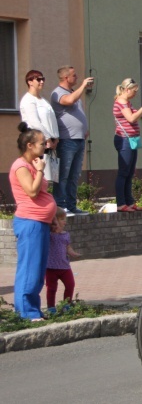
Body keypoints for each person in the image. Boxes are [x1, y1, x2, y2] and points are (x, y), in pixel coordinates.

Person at [10, 123, 58, 321]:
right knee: (29, 267)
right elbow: (31, 191)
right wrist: (40, 171)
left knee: (38, 269)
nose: (45, 146)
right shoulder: (21, 166)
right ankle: (25, 312)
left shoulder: (32, 164)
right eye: (41, 143)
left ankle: (33, 310)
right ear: (30, 145)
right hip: (29, 222)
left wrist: (53, 217)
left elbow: (43, 193)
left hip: (41, 222)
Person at [50, 65, 93, 215]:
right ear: (66, 78)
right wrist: (83, 86)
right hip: (66, 140)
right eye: (74, 76)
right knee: (63, 175)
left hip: (79, 139)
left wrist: (83, 129)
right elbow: (68, 101)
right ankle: (60, 207)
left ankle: (72, 206)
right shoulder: (57, 93)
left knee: (74, 175)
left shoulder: (73, 91)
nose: (77, 78)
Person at [113, 78, 142, 212]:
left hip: (131, 139)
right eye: (134, 91)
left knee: (130, 172)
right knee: (124, 172)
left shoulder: (127, 103)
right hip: (124, 139)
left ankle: (129, 202)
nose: (135, 94)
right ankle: (121, 203)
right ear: (127, 89)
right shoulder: (121, 103)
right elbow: (131, 118)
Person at [45, 207, 80, 313]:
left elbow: (67, 247)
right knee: (51, 288)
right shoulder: (49, 235)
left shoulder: (65, 234)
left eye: (65, 219)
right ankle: (51, 307)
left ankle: (66, 305)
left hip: (64, 266)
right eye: (61, 219)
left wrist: (72, 253)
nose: (65, 221)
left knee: (70, 284)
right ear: (54, 220)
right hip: (51, 267)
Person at [20, 70, 59, 150]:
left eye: (43, 79)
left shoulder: (43, 100)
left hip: (51, 143)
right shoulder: (28, 100)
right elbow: (34, 122)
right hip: (38, 142)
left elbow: (51, 121)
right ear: (30, 82)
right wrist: (47, 138)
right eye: (38, 79)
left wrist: (56, 138)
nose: (41, 82)